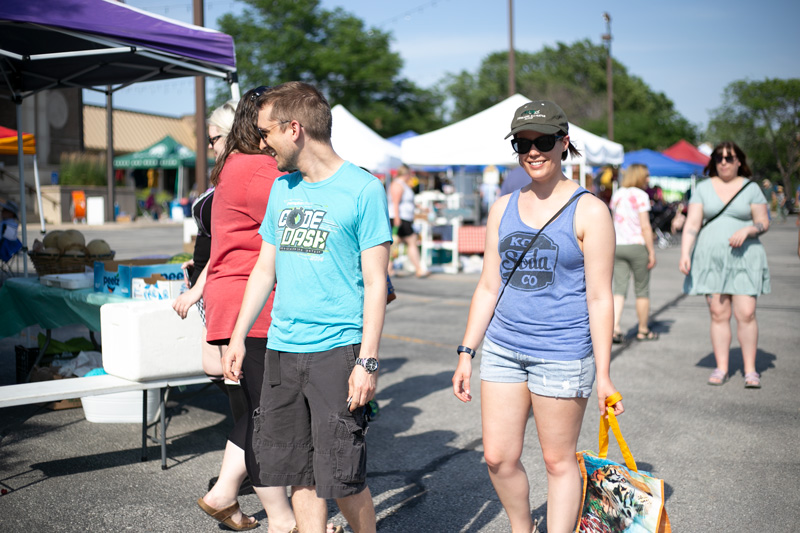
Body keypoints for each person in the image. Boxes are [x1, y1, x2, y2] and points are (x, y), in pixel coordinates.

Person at [221, 81, 391, 533]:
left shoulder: (363, 190)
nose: (261, 142)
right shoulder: (283, 188)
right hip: (281, 349)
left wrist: (367, 362)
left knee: (343, 475)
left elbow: (376, 283)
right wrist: (238, 336)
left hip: (337, 352)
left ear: (294, 128)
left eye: (266, 131)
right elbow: (263, 270)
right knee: (296, 470)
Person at [451, 100, 623, 533]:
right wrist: (467, 351)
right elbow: (489, 286)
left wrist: (603, 374)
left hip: (563, 353)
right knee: (498, 456)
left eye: (543, 141)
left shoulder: (590, 211)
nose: (533, 151)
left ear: (564, 144)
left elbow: (601, 298)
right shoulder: (502, 208)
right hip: (504, 350)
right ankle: (521, 527)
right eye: (523, 143)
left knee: (557, 459)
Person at [187, 88, 297, 532]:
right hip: (254, 306)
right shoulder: (259, 170)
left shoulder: (234, 165)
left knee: (250, 412)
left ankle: (223, 494)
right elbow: (305, 212)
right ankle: (284, 519)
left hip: (235, 302)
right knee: (266, 417)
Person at [171, 100, 252, 492]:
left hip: (229, 287)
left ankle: (248, 467)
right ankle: (251, 458)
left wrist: (199, 283)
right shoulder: (227, 174)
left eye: (213, 139)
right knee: (220, 371)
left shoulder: (243, 174)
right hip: (214, 288)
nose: (210, 147)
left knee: (239, 381)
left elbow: (230, 243)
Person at [679, 141, 770, 388]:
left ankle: (750, 370)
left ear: (739, 161)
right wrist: (685, 253)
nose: (723, 162)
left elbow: (763, 221)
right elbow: (692, 224)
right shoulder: (704, 188)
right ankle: (721, 367)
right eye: (719, 157)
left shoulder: (751, 188)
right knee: (719, 314)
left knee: (747, 313)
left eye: (729, 158)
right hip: (711, 259)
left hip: (745, 258)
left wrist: (750, 229)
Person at [609, 164, 658, 343]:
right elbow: (645, 226)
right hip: (637, 246)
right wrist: (651, 252)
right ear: (639, 177)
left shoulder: (618, 194)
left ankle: (614, 328)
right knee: (642, 290)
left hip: (618, 245)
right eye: (646, 176)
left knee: (619, 289)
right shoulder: (641, 196)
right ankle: (643, 330)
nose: (648, 179)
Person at [388, 164, 428, 278]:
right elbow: (395, 203)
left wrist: (421, 208)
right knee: (411, 241)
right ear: (406, 174)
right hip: (399, 218)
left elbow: (409, 202)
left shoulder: (403, 185)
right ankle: (418, 268)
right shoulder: (397, 185)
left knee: (395, 244)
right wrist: (397, 218)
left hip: (404, 218)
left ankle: (389, 269)